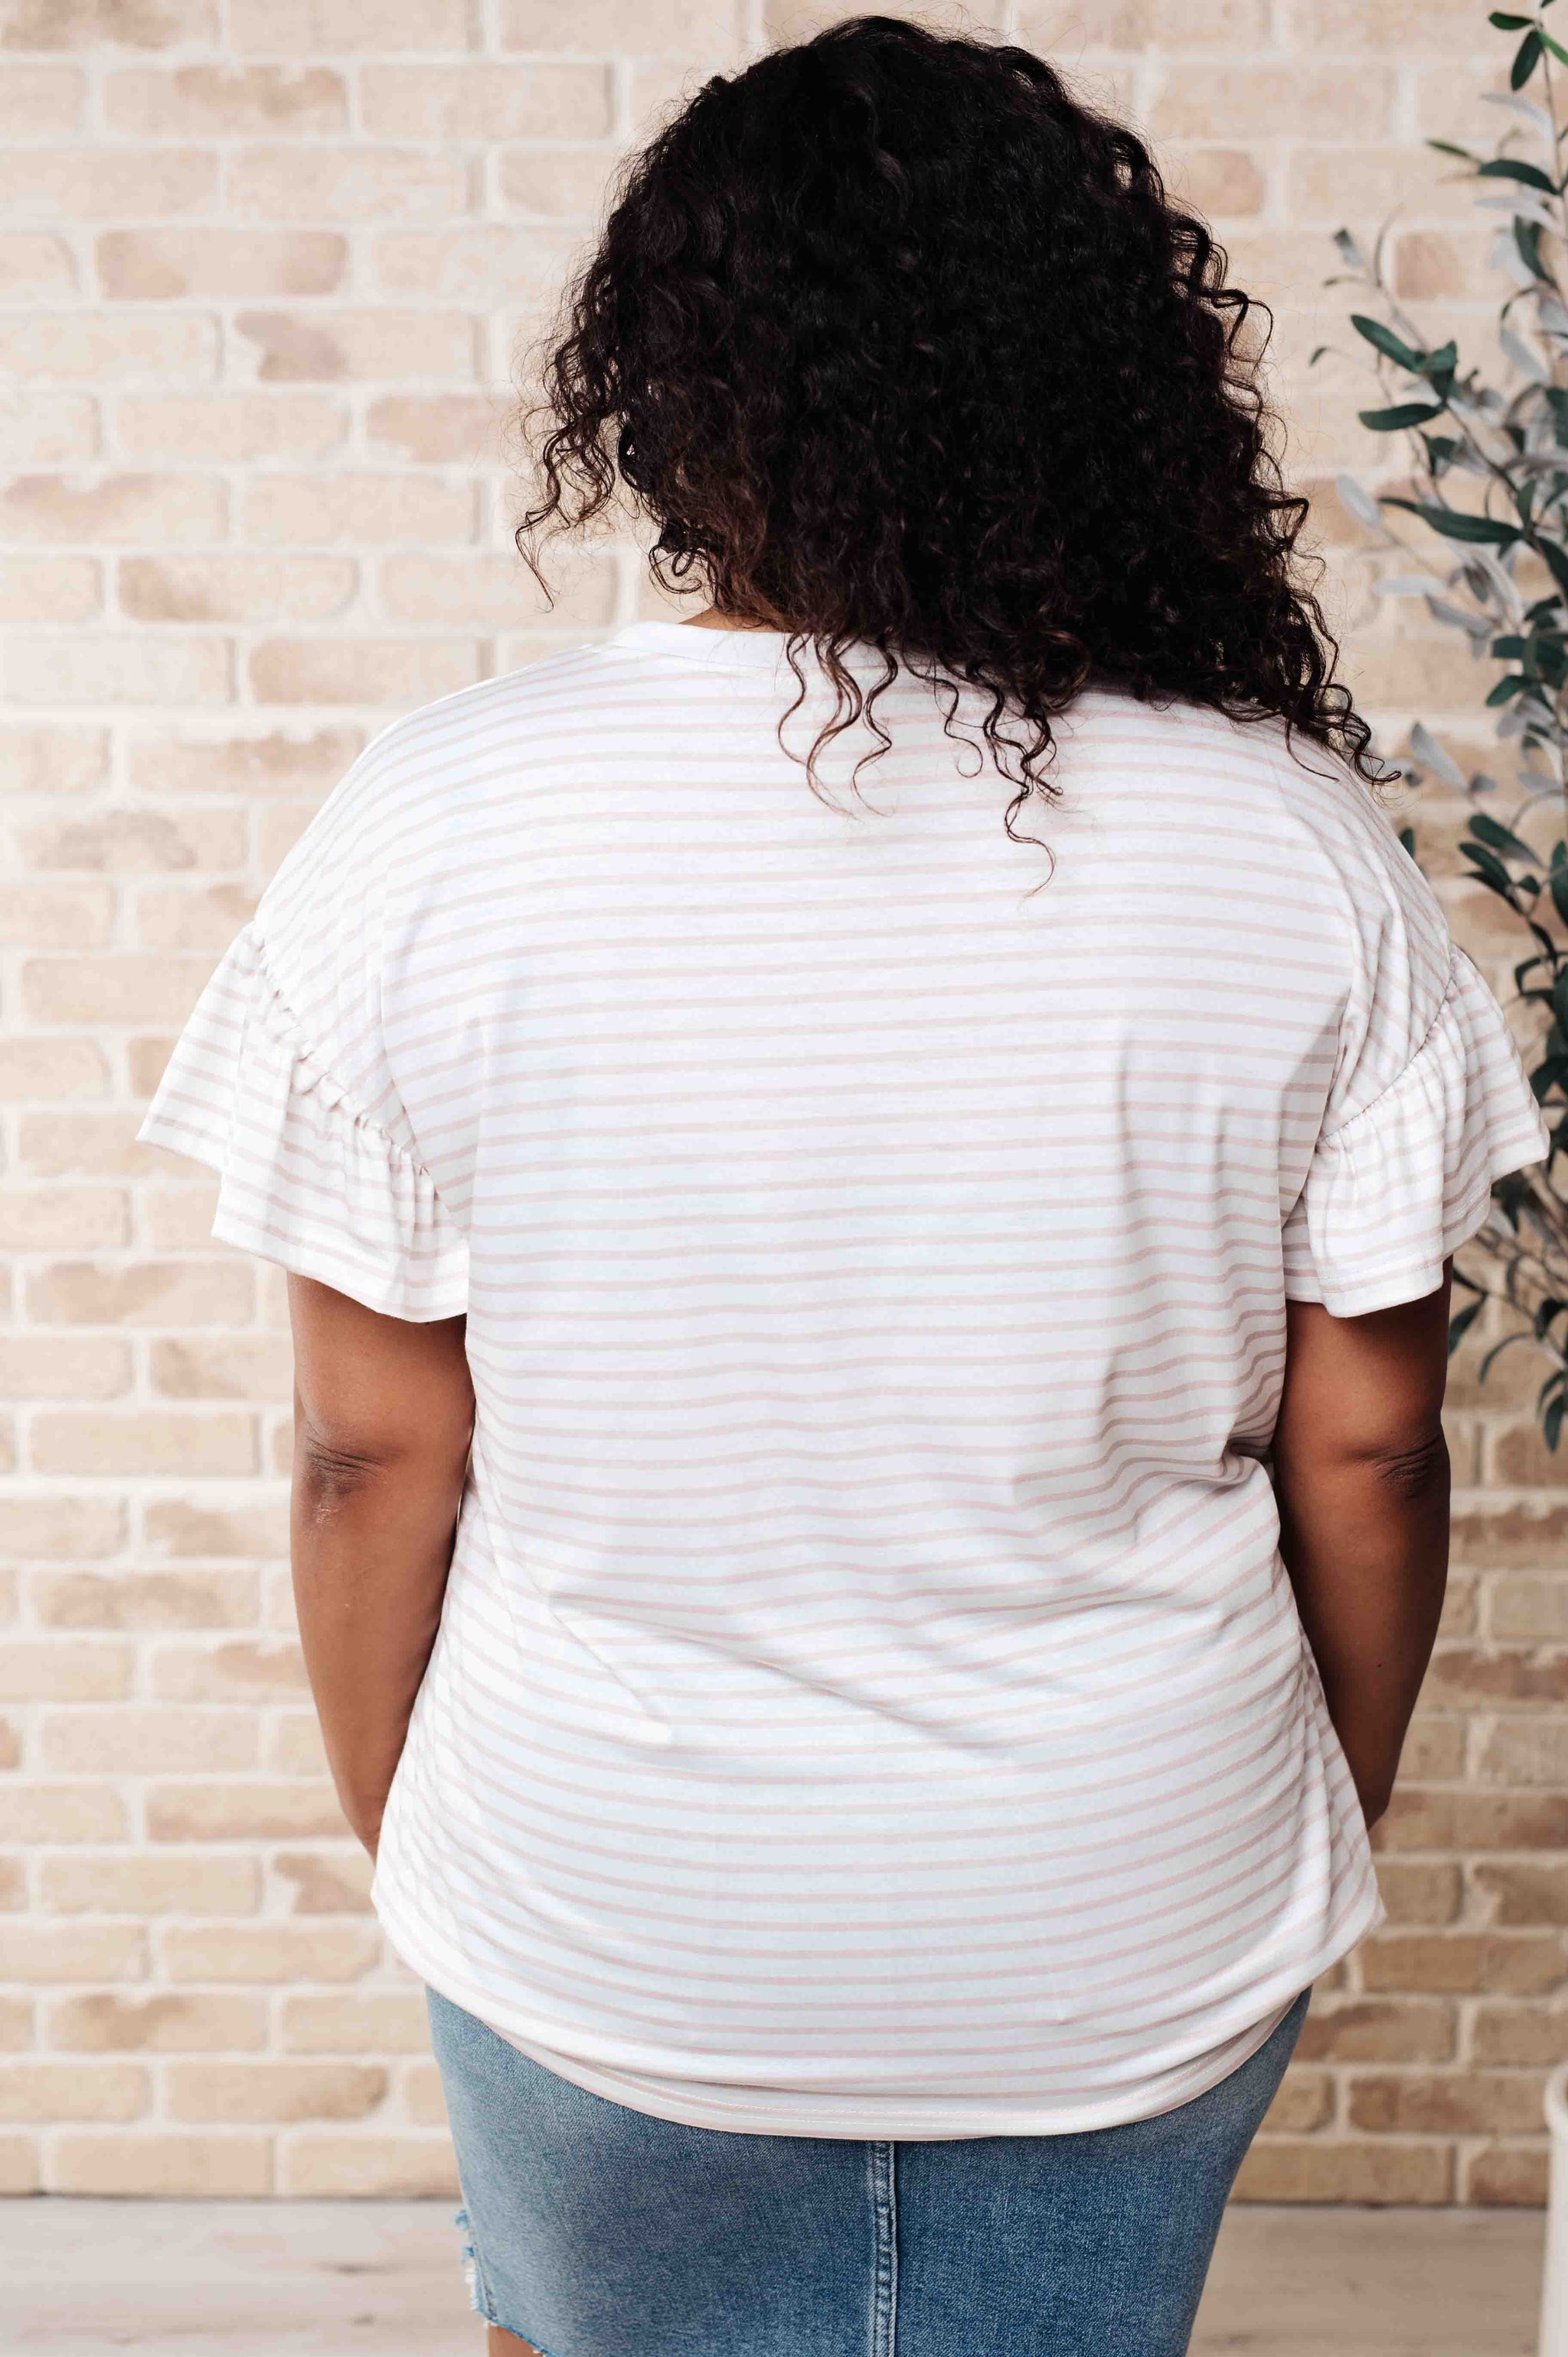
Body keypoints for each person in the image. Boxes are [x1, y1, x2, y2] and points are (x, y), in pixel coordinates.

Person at [137, 18, 1550, 2357]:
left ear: (666, 388)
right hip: (1128, 1893)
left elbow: (370, 1451)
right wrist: (1288, 1813)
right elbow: (1375, 1449)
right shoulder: (1294, 843)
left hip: (604, 1894)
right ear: (1095, 386)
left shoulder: (436, 821)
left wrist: (461, 1863)